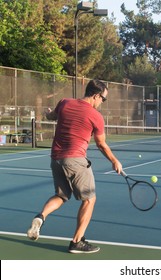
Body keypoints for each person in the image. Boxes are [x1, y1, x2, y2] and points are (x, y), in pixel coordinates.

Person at [27, 79, 123, 254]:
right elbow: (101, 144)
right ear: (95, 95)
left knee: (61, 196)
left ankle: (40, 217)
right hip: (75, 160)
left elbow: (51, 116)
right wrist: (115, 161)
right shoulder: (96, 116)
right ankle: (77, 242)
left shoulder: (64, 103)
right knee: (89, 199)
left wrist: (48, 112)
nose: (102, 102)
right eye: (103, 99)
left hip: (56, 159)